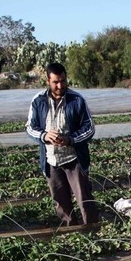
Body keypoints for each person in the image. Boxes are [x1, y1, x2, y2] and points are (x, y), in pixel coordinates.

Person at [26, 62, 99, 226]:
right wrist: (44, 136)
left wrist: (70, 139)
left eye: (63, 81)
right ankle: (71, 232)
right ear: (47, 81)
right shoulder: (38, 101)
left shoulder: (77, 100)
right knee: (60, 202)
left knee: (84, 200)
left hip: (74, 159)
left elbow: (89, 128)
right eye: (56, 82)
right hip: (51, 160)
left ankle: (92, 231)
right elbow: (30, 127)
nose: (60, 85)